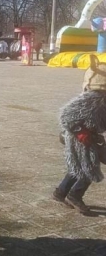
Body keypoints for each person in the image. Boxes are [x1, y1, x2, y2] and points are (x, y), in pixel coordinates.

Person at [52, 55, 106, 214]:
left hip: (90, 137)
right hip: (79, 137)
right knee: (89, 167)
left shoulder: (103, 100)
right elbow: (66, 115)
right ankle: (75, 195)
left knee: (79, 165)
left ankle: (61, 192)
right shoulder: (93, 98)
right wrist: (80, 131)